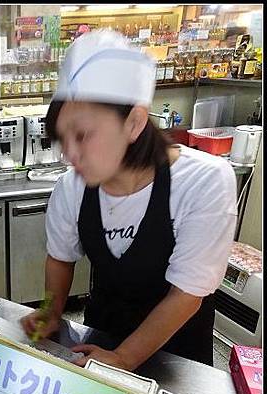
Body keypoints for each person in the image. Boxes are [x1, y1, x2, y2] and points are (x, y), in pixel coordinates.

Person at [21, 30, 237, 370]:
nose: (69, 155)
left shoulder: (203, 181)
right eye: (63, 139)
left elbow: (187, 294)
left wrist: (125, 358)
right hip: (101, 335)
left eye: (83, 135)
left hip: (177, 355)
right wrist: (50, 310)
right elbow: (60, 258)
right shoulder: (72, 187)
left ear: (134, 122)